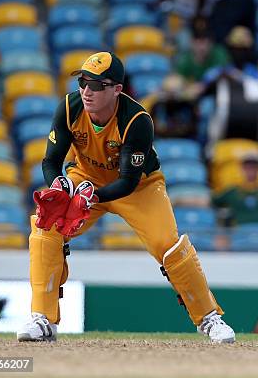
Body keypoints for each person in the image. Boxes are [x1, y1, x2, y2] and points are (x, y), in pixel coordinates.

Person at [16, 51, 235, 343]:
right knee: (46, 228)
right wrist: (59, 185)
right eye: (82, 83)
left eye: (96, 85)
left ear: (116, 89)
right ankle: (42, 320)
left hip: (139, 188)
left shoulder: (136, 120)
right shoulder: (70, 108)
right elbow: (50, 161)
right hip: (85, 178)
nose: (86, 91)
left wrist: (92, 195)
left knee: (167, 246)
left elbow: (127, 182)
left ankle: (209, 318)